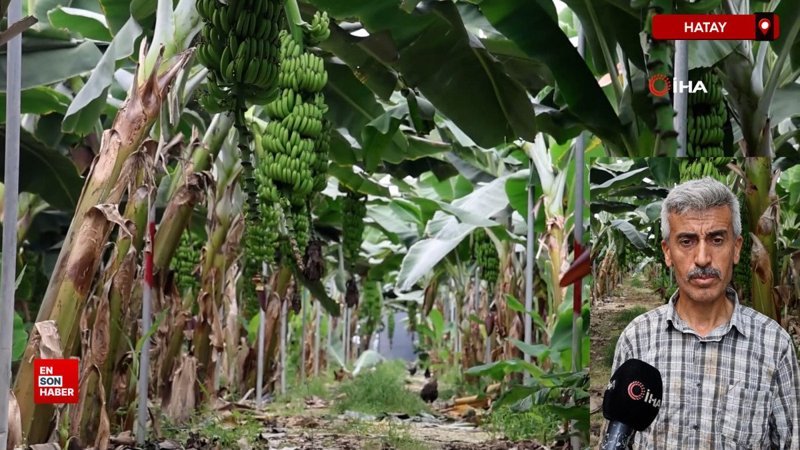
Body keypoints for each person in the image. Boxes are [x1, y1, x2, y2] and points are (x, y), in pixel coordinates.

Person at [611, 177, 800, 449]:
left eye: (717, 239)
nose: (702, 258)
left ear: (736, 249)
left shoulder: (775, 346)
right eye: (687, 241)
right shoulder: (637, 339)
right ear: (667, 252)